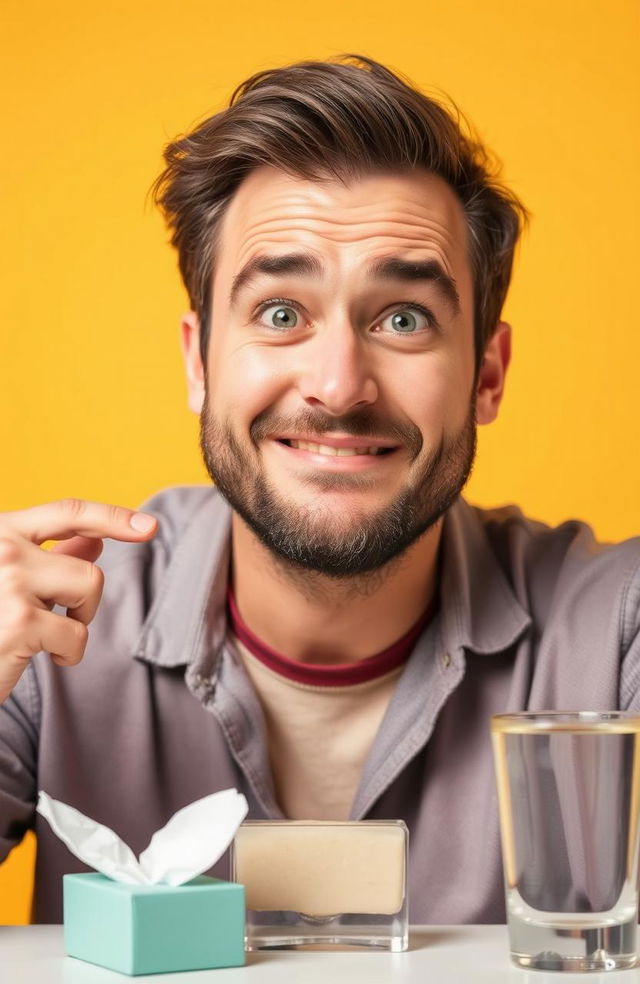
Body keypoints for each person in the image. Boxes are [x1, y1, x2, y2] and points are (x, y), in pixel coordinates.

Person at [1, 54, 639, 925]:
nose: (338, 387)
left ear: (487, 375)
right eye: (279, 314)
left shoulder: (615, 631)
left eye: (404, 320)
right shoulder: (45, 639)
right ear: (199, 360)